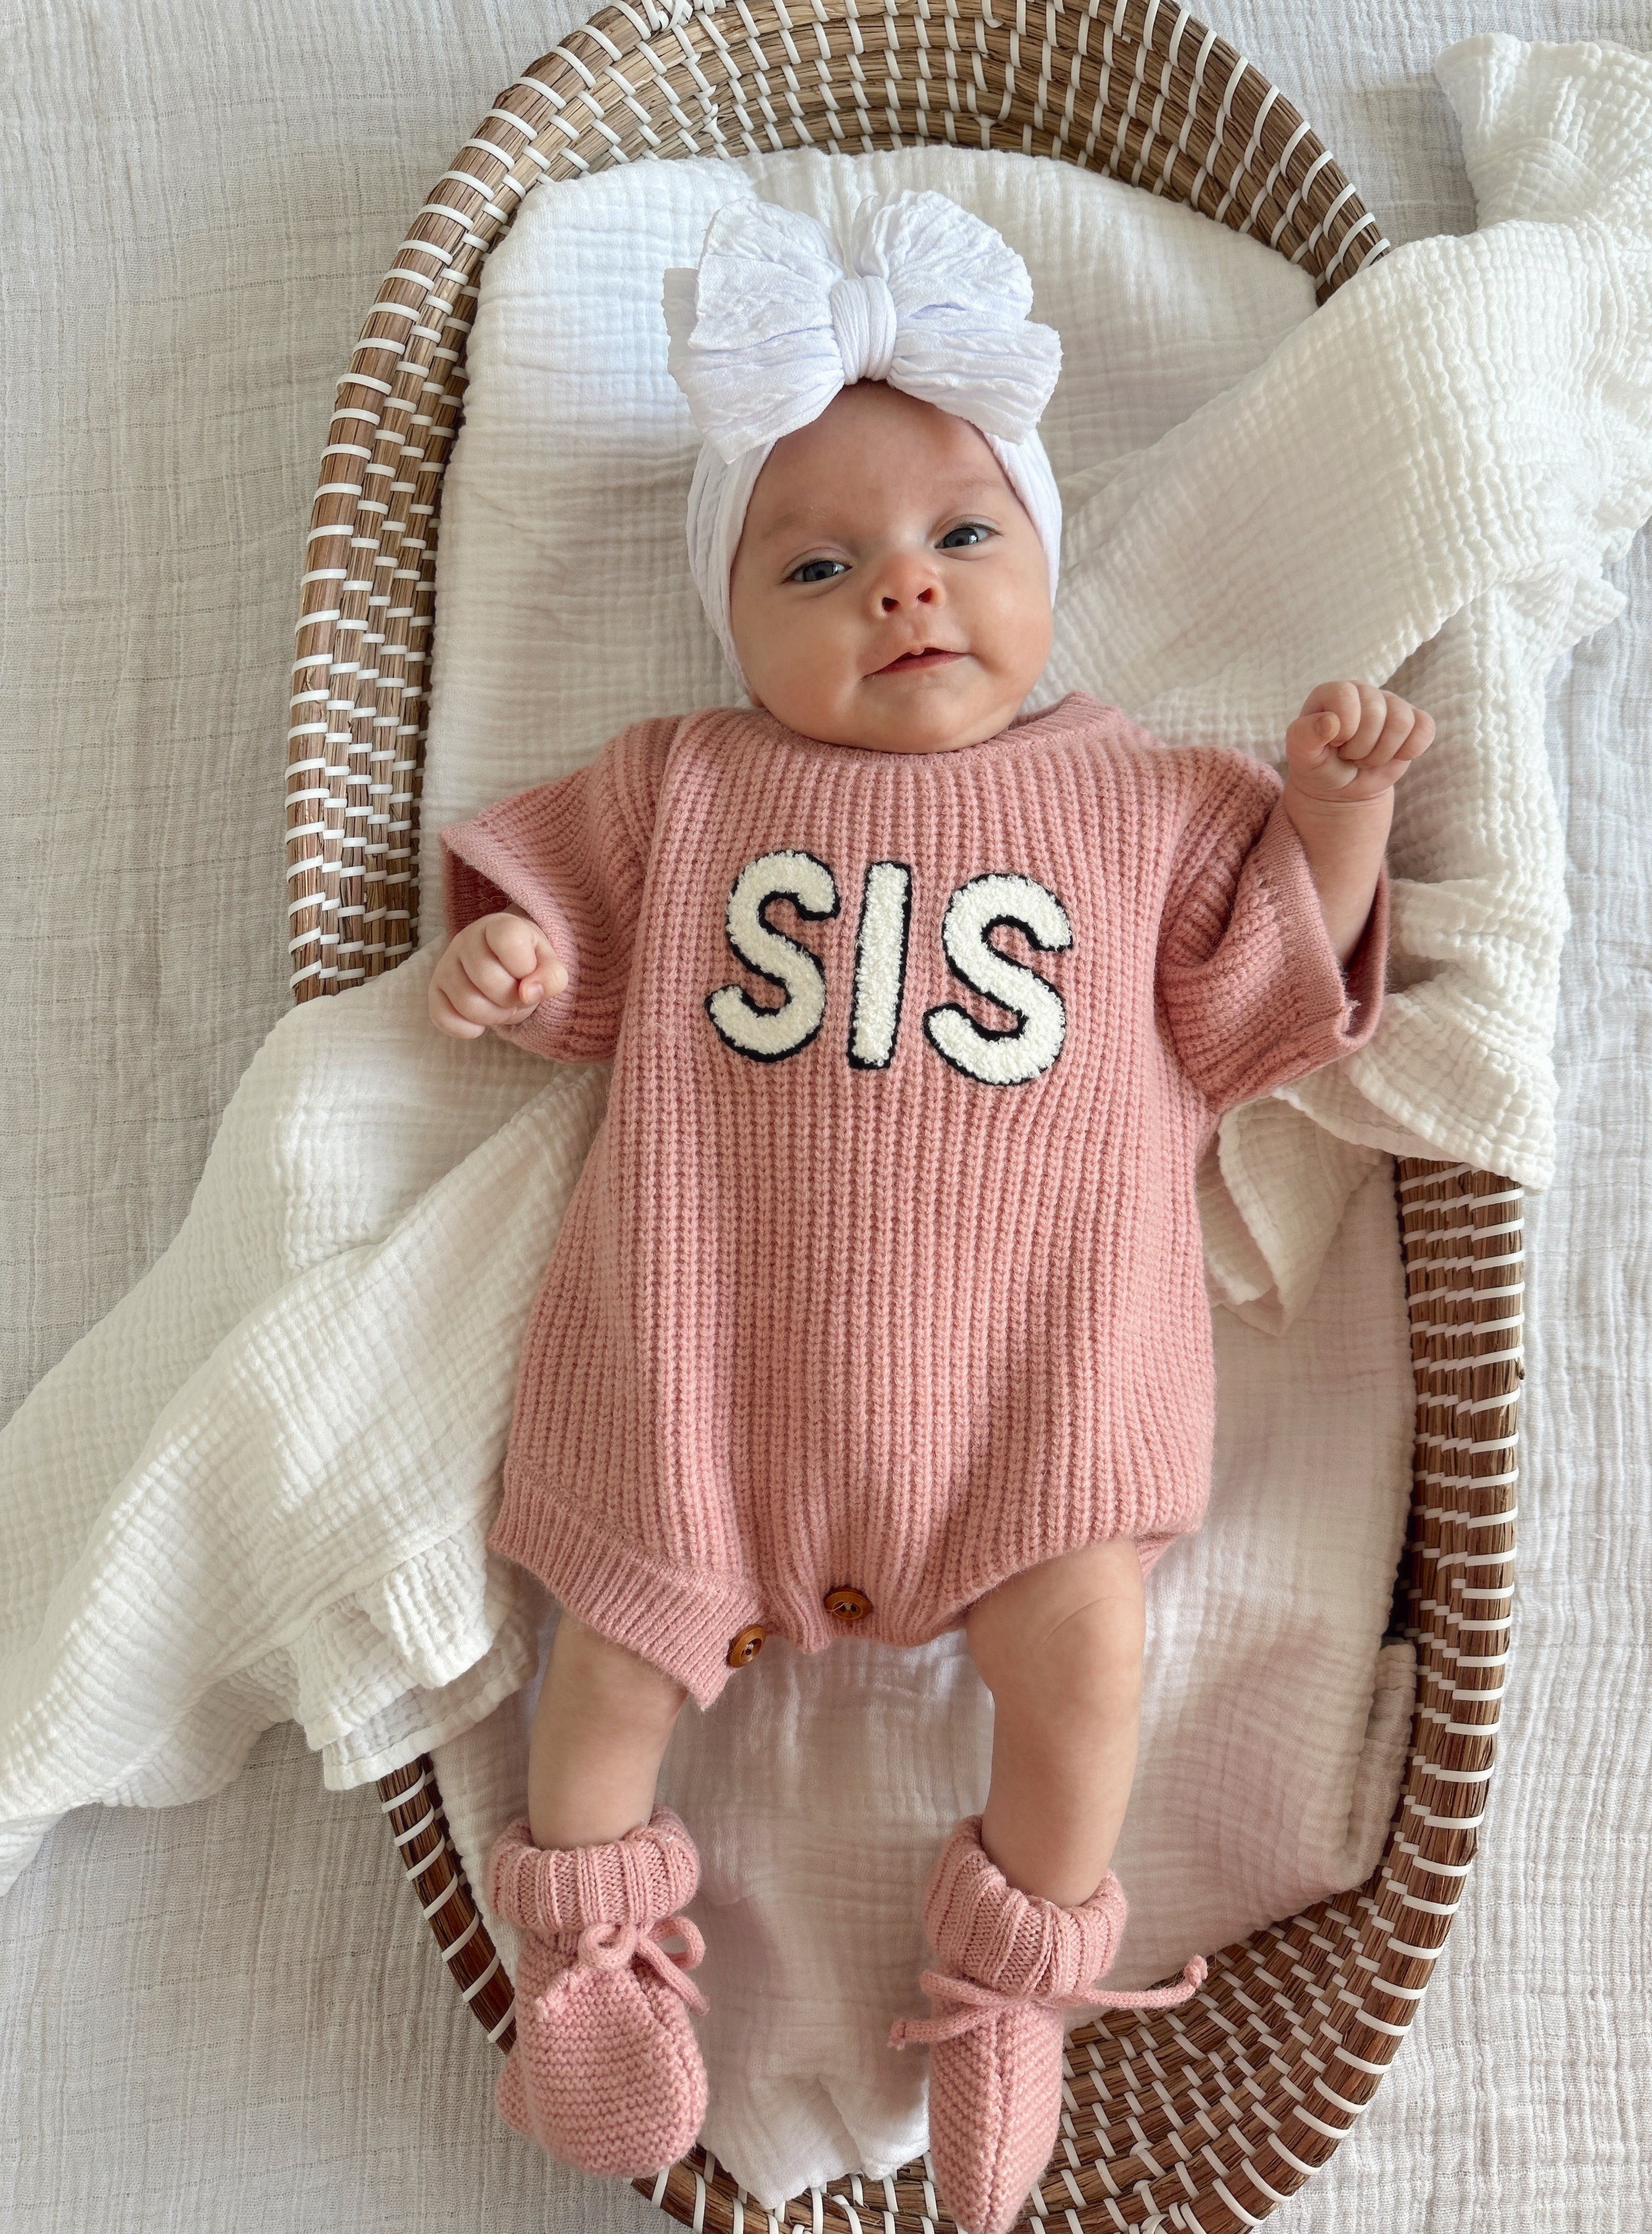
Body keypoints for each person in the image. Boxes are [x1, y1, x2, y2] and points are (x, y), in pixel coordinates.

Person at [428, 190, 1431, 2234]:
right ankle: (593, 1953)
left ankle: (1015, 1982)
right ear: (738, 622)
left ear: (1046, 562)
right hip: (706, 1389)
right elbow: (546, 914)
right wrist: (516, 966)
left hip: (1032, 1407)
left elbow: (1266, 1007)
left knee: (1084, 1666)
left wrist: (1331, 819)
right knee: (606, 1656)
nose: (903, 589)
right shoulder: (684, 782)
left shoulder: (1144, 799)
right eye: (821, 564)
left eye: (963, 538)